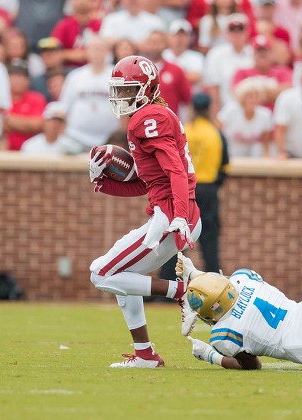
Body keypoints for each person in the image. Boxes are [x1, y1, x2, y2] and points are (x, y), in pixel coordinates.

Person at [89, 55, 202, 368]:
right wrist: (103, 184)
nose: (120, 97)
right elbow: (147, 183)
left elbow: (176, 170)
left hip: (173, 216)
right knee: (123, 277)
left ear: (145, 89)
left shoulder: (147, 118)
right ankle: (145, 354)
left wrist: (178, 216)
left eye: (126, 91)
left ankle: (182, 291)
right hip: (171, 211)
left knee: (101, 273)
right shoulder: (146, 116)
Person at [176, 252, 302, 369]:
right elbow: (225, 282)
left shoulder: (222, 335)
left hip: (298, 343)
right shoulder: (244, 278)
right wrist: (195, 274)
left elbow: (252, 365)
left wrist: (210, 355)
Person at [159, 92, 229, 283]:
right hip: (207, 189)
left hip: (182, 188)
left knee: (175, 238)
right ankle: (214, 282)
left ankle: (168, 283)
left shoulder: (183, 129)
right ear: (208, 109)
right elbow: (224, 167)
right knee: (209, 239)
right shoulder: (216, 133)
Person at [59, 36, 119, 152]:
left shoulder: (116, 76)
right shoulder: (75, 76)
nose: (97, 52)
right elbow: (64, 108)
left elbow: (124, 110)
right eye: (94, 48)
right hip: (76, 138)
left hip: (110, 141)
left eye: (101, 48)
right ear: (87, 52)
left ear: (108, 52)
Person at [217, 77, 273, 157]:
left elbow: (265, 142)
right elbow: (217, 132)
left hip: (254, 159)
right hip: (230, 156)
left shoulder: (265, 115)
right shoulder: (231, 109)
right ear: (242, 98)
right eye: (249, 97)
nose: (253, 100)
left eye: (256, 97)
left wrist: (266, 158)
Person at [3, 58, 46, 151]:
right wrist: (24, 125)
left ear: (28, 80)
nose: (18, 80)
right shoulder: (1, 99)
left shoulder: (37, 98)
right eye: (14, 75)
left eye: (22, 76)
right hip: (3, 152)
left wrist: (7, 119)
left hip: (31, 154)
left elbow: (38, 125)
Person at [273, 57, 302, 159]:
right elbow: (280, 128)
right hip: (292, 156)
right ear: (301, 78)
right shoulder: (287, 97)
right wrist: (281, 152)